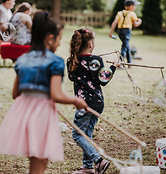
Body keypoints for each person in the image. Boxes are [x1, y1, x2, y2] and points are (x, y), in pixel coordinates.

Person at [0, 11, 88, 174]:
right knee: (40, 158)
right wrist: (75, 101)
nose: (58, 44)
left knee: (39, 159)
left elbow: (15, 94)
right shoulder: (55, 62)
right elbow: (56, 94)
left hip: (23, 112)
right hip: (41, 113)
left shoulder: (22, 59)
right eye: (59, 40)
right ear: (50, 38)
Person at [67, 27, 120, 174]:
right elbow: (103, 80)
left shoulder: (71, 61)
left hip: (84, 103)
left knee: (78, 134)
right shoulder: (96, 60)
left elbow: (72, 77)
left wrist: (82, 61)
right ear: (90, 44)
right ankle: (88, 167)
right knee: (86, 134)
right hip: (97, 103)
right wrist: (113, 67)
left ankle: (99, 160)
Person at [109, 0, 142, 64]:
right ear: (131, 6)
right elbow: (135, 24)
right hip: (127, 31)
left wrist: (111, 33)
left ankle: (129, 62)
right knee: (124, 47)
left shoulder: (119, 13)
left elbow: (114, 23)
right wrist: (140, 21)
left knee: (127, 46)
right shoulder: (132, 13)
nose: (135, 7)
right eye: (134, 6)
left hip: (120, 31)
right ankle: (120, 62)